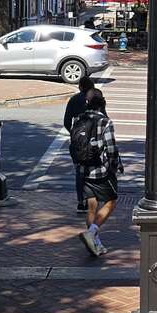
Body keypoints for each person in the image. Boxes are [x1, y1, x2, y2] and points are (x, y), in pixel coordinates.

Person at [69, 90, 123, 256]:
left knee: (92, 206)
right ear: (102, 105)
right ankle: (92, 232)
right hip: (100, 171)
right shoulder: (105, 122)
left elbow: (74, 144)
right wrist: (114, 167)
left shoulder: (78, 119)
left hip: (83, 170)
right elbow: (112, 149)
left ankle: (95, 244)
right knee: (111, 201)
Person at [64, 75, 95, 213]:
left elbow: (66, 121)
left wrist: (73, 132)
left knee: (79, 171)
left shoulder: (74, 100)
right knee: (92, 171)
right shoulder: (95, 100)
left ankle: (80, 202)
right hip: (93, 141)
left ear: (80, 86)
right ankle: (91, 199)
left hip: (77, 143)